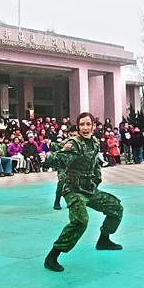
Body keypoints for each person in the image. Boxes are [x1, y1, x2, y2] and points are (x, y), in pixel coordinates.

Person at [41, 112, 123, 272]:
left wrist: (96, 179)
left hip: (89, 189)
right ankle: (52, 256)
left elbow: (95, 164)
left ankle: (104, 240)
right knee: (80, 221)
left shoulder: (94, 142)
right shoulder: (75, 143)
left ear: (93, 126)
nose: (85, 128)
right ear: (78, 127)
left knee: (116, 208)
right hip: (73, 190)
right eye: (82, 125)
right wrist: (48, 159)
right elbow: (61, 156)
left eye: (88, 124)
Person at [52, 125, 78, 210]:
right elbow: (56, 148)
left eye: (74, 135)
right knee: (61, 182)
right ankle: (57, 201)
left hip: (76, 167)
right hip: (63, 167)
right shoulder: (65, 142)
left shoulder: (81, 143)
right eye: (70, 135)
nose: (72, 137)